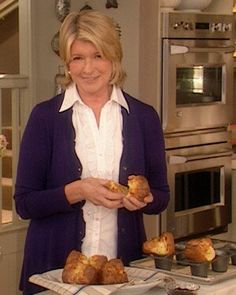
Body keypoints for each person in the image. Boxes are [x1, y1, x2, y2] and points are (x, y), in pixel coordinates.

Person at [14, 10, 170, 295]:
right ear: (67, 63)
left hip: (124, 275)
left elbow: (161, 196)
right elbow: (25, 203)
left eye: (98, 55)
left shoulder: (144, 117)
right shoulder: (45, 118)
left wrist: (145, 199)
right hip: (54, 276)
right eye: (78, 58)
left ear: (114, 57)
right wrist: (78, 190)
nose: (88, 68)